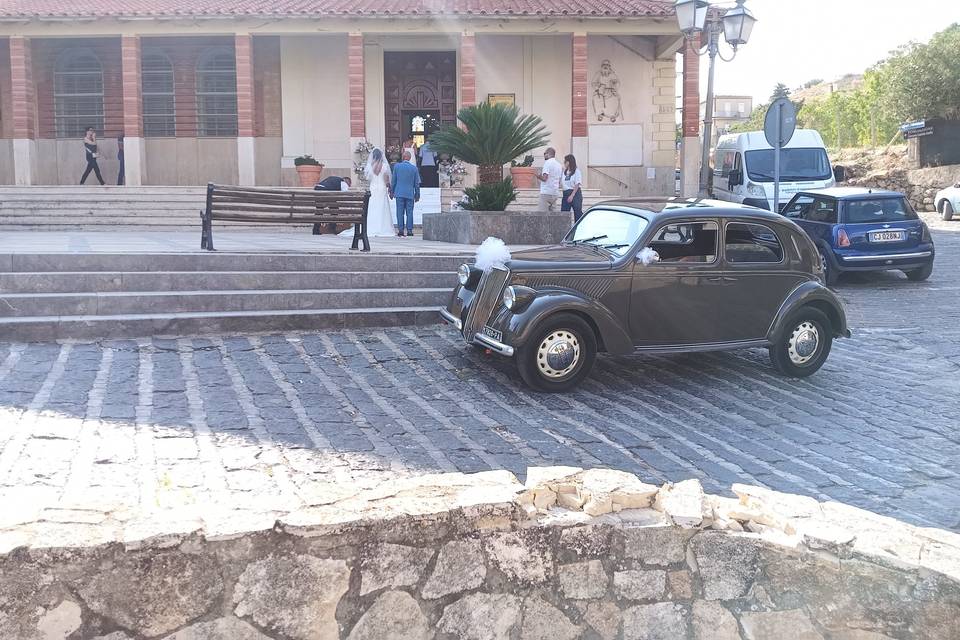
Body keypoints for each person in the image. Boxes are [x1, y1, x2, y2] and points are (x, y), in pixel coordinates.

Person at [340, 148, 395, 237]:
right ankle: (382, 227)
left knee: (372, 206)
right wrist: (389, 186)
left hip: (373, 187)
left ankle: (370, 225)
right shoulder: (384, 166)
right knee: (382, 206)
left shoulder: (370, 166)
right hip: (381, 188)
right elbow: (386, 178)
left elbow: (368, 178)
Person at [391, 151, 421, 237]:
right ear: (410, 158)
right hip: (409, 193)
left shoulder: (397, 166)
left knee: (400, 212)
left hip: (399, 193)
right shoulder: (414, 168)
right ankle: (409, 230)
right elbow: (416, 184)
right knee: (410, 212)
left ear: (403, 157)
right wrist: (417, 195)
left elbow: (394, 181)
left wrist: (392, 192)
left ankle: (400, 230)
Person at [537, 147, 563, 211]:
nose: (544, 155)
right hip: (555, 193)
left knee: (542, 215)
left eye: (545, 153)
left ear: (549, 154)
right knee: (553, 216)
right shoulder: (559, 165)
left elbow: (545, 178)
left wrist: (538, 176)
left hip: (546, 192)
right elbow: (559, 180)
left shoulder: (547, 163)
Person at [561, 154, 583, 222]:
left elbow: (577, 184)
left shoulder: (577, 171)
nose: (564, 163)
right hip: (566, 193)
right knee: (564, 213)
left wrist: (572, 195)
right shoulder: (564, 172)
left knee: (577, 213)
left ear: (569, 162)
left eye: (565, 161)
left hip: (575, 194)